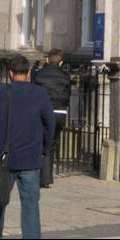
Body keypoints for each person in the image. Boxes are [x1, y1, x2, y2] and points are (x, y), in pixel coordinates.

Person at [0, 55, 55, 239]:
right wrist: (44, 149)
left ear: (10, 73)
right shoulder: (39, 93)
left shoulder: (2, 92)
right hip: (31, 158)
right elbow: (49, 125)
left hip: (5, 158)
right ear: (28, 73)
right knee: (31, 205)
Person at [31, 49, 72, 187]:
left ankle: (43, 177)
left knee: (41, 143)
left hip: (43, 112)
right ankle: (46, 177)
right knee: (51, 143)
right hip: (60, 113)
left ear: (47, 60)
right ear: (61, 62)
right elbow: (67, 96)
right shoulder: (65, 76)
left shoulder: (38, 75)